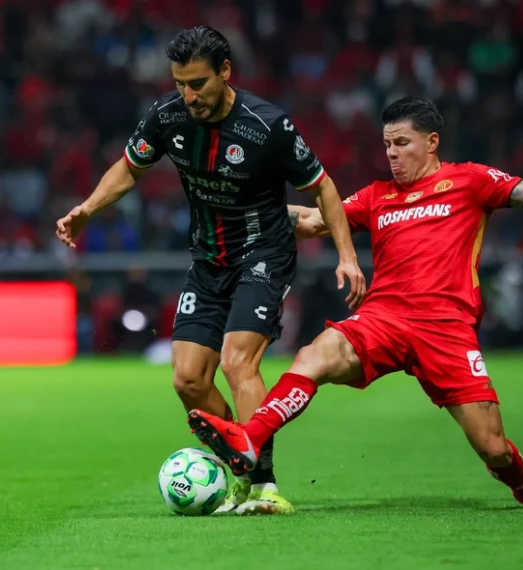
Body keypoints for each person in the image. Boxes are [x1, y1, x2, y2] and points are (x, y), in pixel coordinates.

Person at [188, 96, 523, 509]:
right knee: (313, 356)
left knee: (493, 448)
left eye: (402, 143)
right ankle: (250, 439)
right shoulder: (376, 196)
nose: (392, 154)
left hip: (445, 329)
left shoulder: (470, 181)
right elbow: (312, 220)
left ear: (432, 142)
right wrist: (236, 204)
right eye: (387, 145)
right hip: (382, 319)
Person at [55, 26, 366, 515]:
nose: (189, 95)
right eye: (180, 83)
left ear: (225, 72)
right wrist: (88, 208)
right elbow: (129, 167)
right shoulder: (167, 115)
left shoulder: (266, 125)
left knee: (237, 363)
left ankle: (264, 487)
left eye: (198, 83)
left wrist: (347, 256)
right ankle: (240, 470)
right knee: (188, 380)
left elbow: (322, 187)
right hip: (207, 259)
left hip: (264, 254)